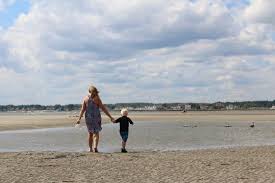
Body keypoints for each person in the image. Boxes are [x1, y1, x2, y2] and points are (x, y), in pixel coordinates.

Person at [76, 85, 114, 152]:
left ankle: (90, 149)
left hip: (88, 118)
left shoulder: (85, 99)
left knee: (90, 133)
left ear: (89, 91)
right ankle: (95, 147)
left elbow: (82, 110)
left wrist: (79, 119)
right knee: (96, 133)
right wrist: (110, 117)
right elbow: (103, 108)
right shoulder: (97, 99)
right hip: (96, 117)